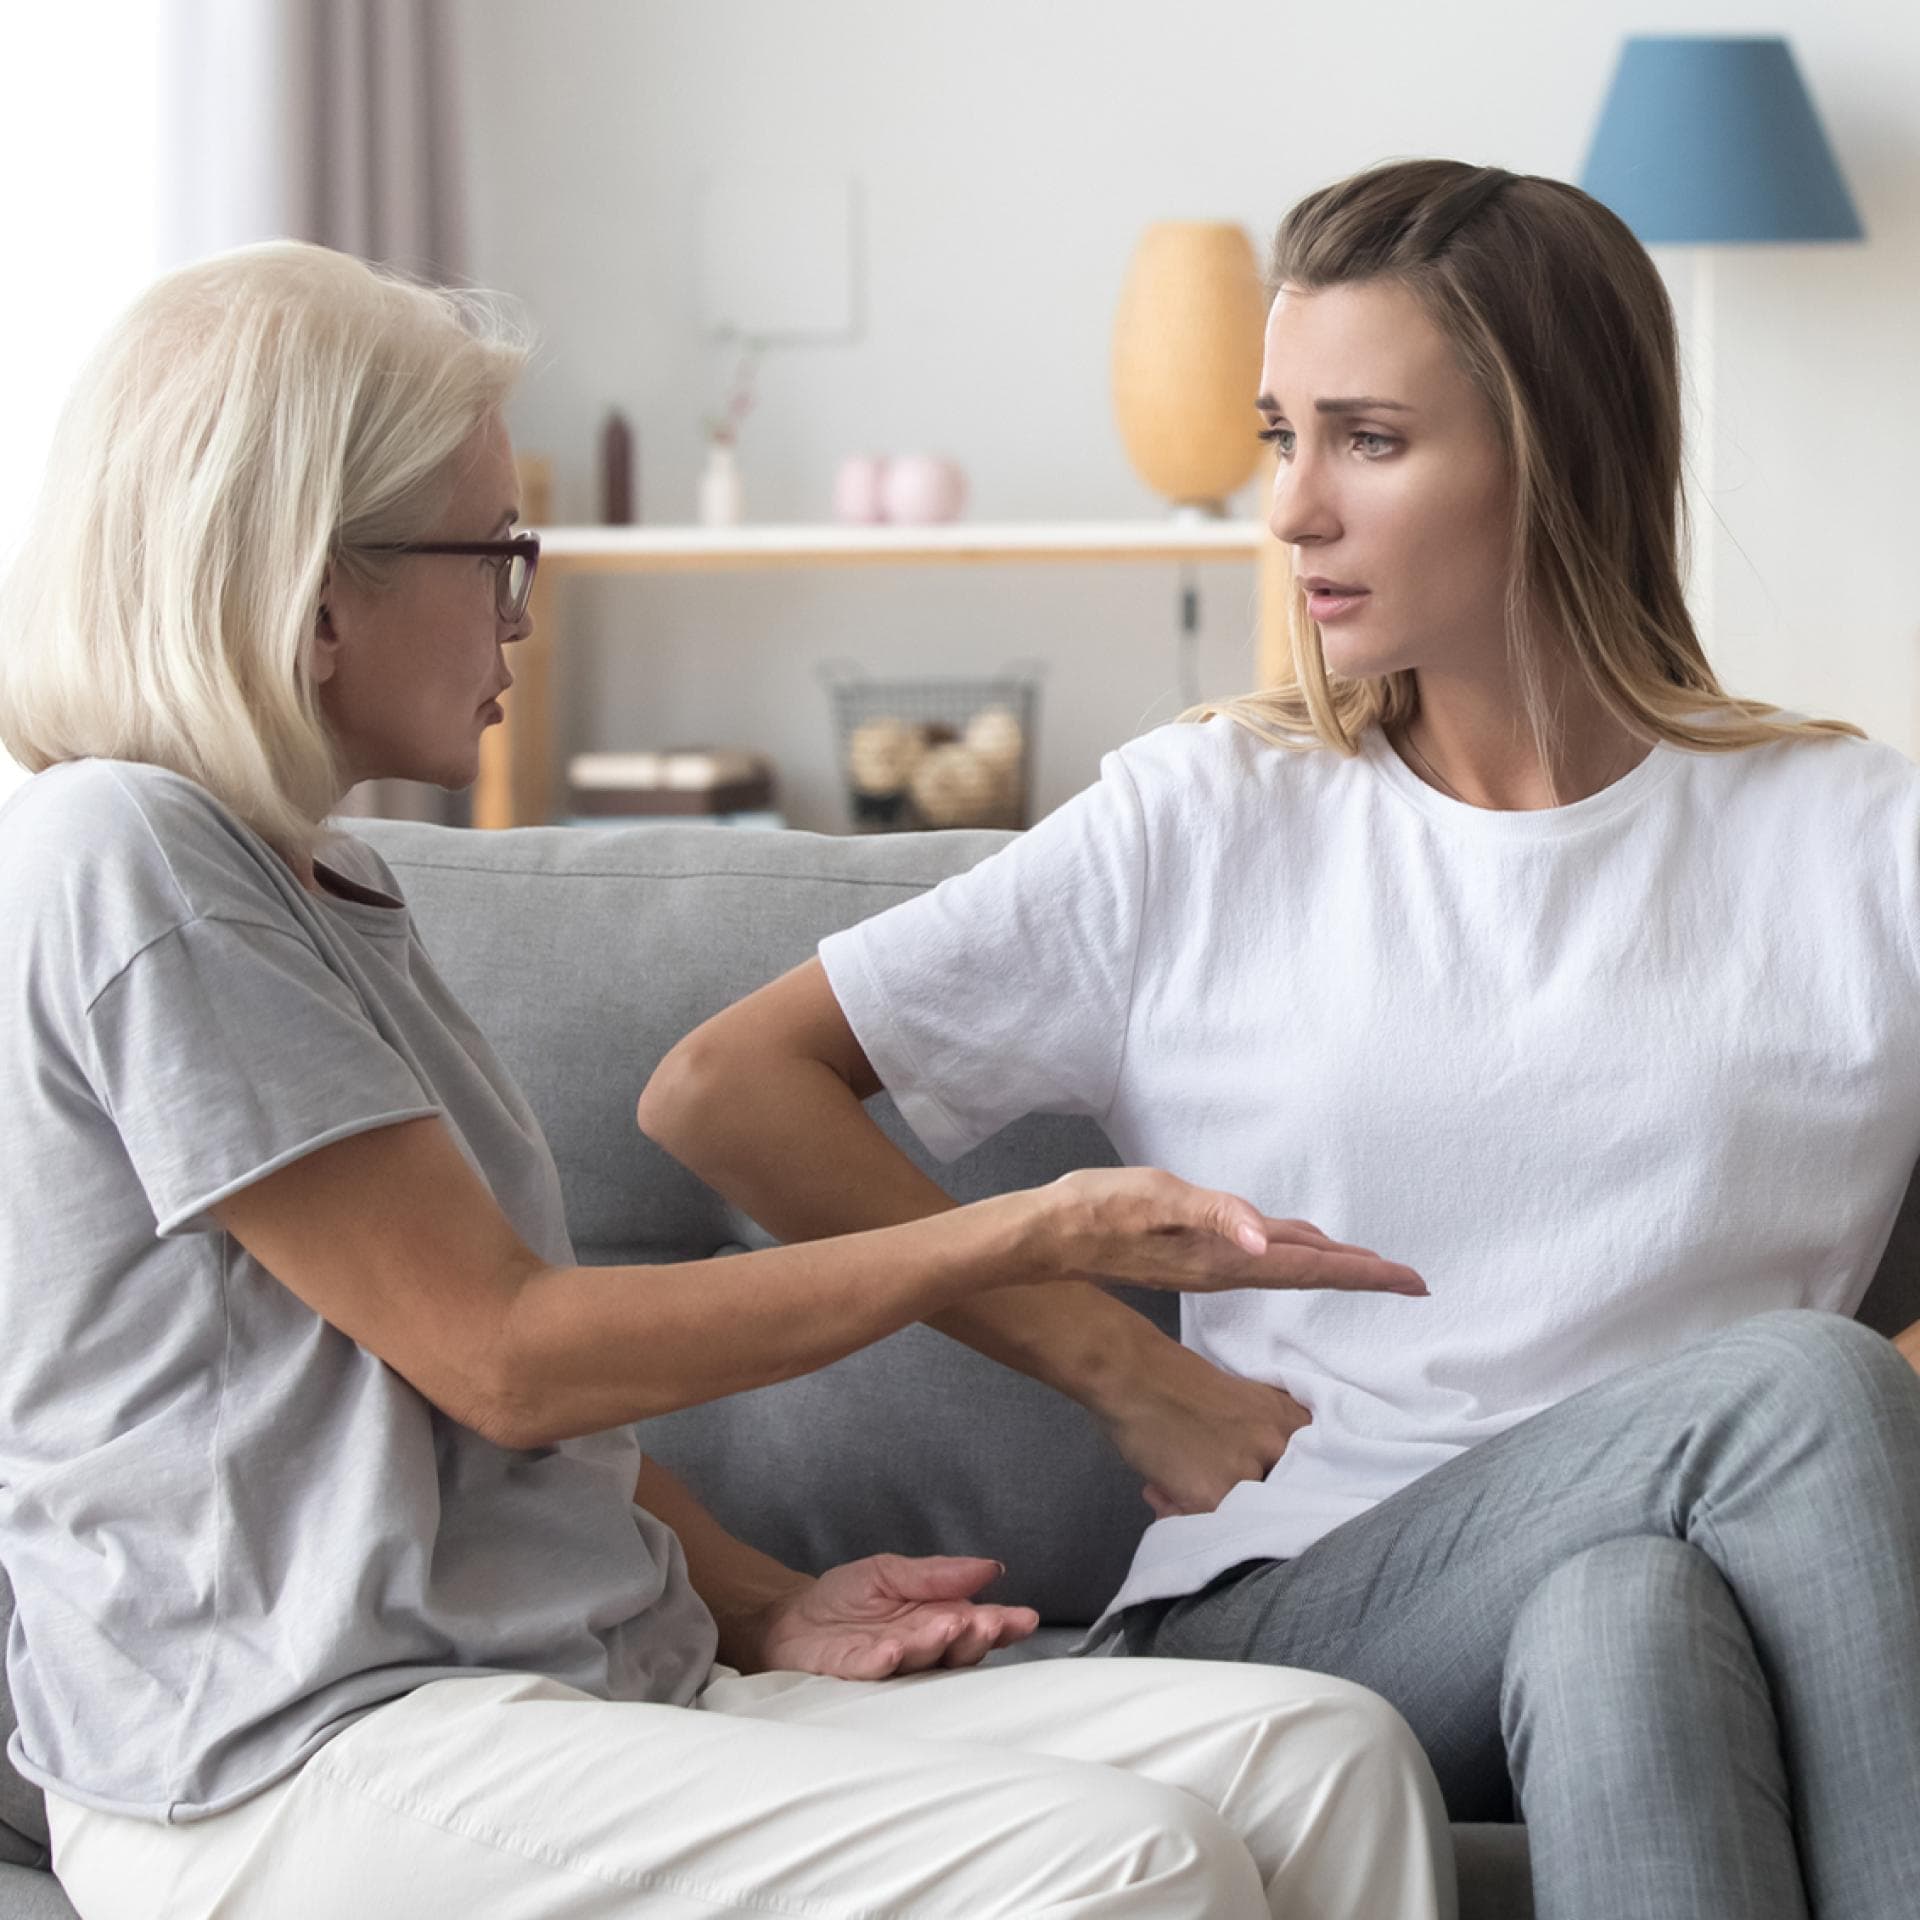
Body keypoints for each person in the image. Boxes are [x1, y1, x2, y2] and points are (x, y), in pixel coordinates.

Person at [0, 239, 1457, 1920]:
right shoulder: (125, 858)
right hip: (287, 1761)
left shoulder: (319, 885)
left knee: (1325, 1759)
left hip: (572, 1698)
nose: (519, 610)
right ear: (316, 589)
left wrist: (767, 1604)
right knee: (1130, 1865)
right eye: (495, 554)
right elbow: (507, 1358)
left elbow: (443, 1422)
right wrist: (1018, 1231)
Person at [642, 160, 1920, 1920]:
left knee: (1628, 1611)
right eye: (1279, 436)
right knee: (1797, 1387)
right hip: (1294, 1620)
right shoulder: (1213, 815)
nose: (1291, 511)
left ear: (1558, 456)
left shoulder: (1858, 835)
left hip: (1704, 1586)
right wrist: (1119, 1366)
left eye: (1369, 441)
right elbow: (724, 1090)